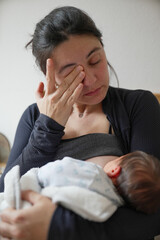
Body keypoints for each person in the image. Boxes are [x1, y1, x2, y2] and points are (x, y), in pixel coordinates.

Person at [0, 5, 160, 240]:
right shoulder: (33, 118)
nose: (91, 80)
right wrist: (48, 126)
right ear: (49, 75)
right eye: (72, 73)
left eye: (95, 60)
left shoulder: (138, 105)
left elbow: (155, 211)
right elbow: (6, 190)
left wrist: (57, 226)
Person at [1, 151, 160, 222]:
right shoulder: (110, 205)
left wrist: (38, 173)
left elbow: (54, 170)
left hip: (32, 197)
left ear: (114, 170)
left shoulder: (93, 173)